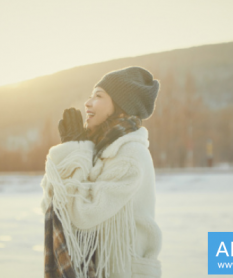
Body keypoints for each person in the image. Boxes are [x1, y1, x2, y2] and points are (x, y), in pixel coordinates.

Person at [41, 66, 162, 278]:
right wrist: (75, 150)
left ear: (121, 106)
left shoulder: (130, 155)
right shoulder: (99, 150)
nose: (87, 103)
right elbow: (53, 204)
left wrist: (74, 151)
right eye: (90, 96)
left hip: (124, 271)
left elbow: (83, 214)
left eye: (98, 96)